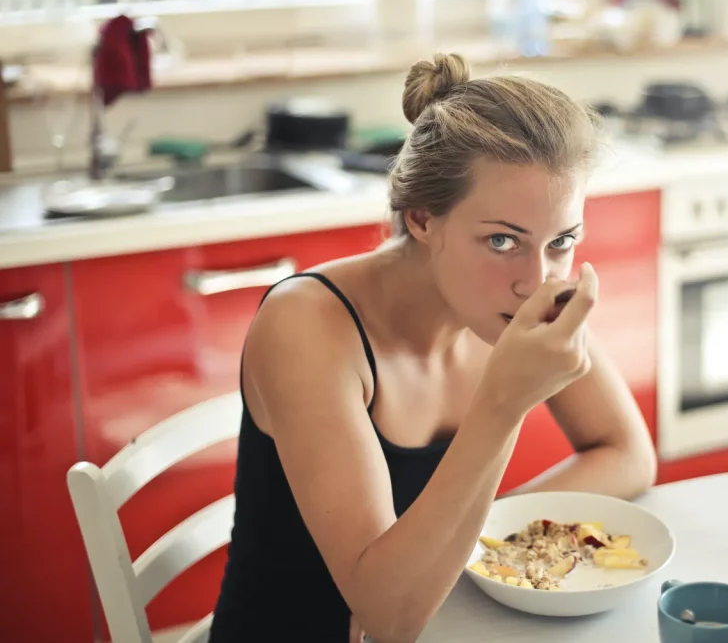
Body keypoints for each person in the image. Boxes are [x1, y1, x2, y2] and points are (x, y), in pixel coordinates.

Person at [209, 53, 657, 643]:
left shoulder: (524, 295)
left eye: (562, 240)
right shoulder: (309, 327)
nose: (538, 279)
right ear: (422, 218)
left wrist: (474, 548)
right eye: (502, 240)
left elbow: (627, 454)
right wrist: (503, 406)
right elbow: (387, 617)